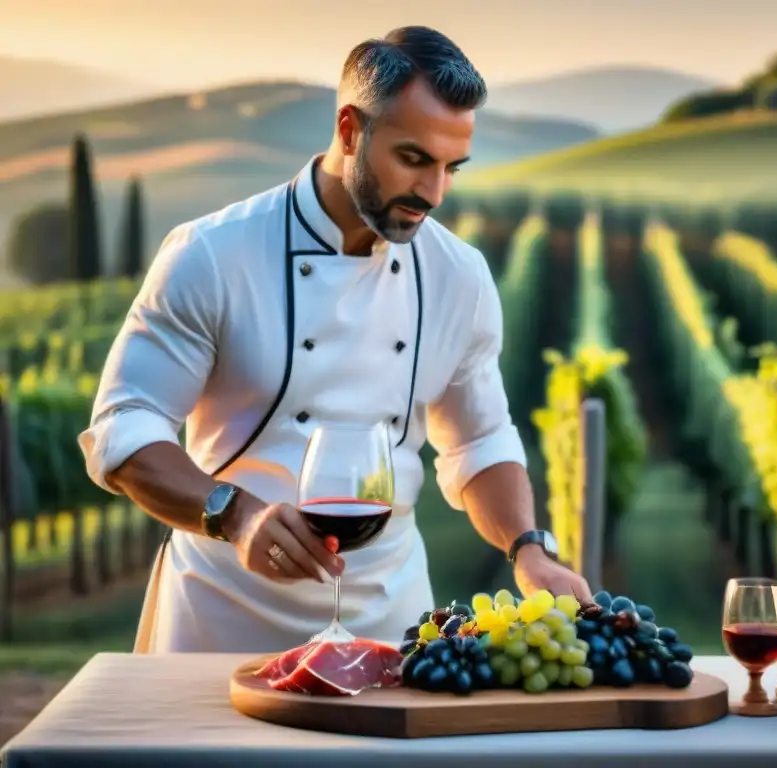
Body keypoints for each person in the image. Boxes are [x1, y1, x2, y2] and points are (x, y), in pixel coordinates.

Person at [78, 26, 592, 654]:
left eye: (450, 168)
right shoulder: (212, 254)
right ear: (350, 130)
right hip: (223, 621)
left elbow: (481, 440)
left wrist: (528, 549)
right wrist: (233, 515)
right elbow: (124, 428)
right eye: (413, 159)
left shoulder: (460, 276)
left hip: (391, 628)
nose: (432, 193)